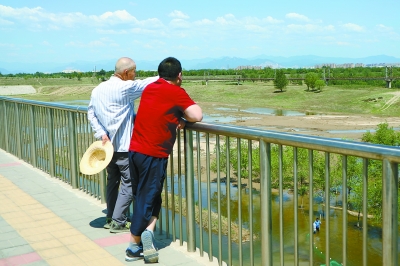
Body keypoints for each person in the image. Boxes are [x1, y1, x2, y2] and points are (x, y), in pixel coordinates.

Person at [125, 57, 203, 262]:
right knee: (146, 197)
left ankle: (148, 232)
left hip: (135, 151)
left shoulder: (150, 88)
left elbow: (161, 111)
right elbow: (197, 115)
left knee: (150, 195)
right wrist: (184, 118)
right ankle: (133, 247)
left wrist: (177, 117)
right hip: (154, 153)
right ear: (179, 76)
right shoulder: (176, 92)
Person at [87, 57, 158, 233]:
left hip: (107, 147)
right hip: (124, 147)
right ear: (126, 73)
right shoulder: (125, 88)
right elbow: (147, 84)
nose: (135, 76)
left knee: (112, 181)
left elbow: (91, 114)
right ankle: (118, 221)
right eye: (134, 72)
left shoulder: (98, 89)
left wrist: (101, 133)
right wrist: (165, 75)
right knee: (129, 183)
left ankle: (111, 216)